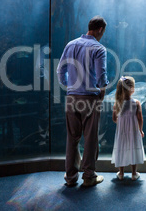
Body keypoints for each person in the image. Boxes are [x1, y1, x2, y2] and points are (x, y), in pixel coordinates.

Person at [56, 16, 109, 187]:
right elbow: (101, 76)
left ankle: (70, 178)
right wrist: (102, 89)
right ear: (100, 29)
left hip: (72, 97)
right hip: (90, 98)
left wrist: (69, 86)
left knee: (72, 138)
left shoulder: (70, 45)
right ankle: (89, 176)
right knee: (90, 138)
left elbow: (60, 70)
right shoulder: (98, 48)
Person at [111, 76, 145, 181]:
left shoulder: (117, 103)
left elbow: (114, 119)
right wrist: (140, 130)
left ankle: (121, 173)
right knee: (133, 148)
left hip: (122, 132)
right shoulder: (136, 102)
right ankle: (134, 174)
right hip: (133, 131)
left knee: (121, 148)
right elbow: (140, 118)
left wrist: (121, 123)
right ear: (132, 89)